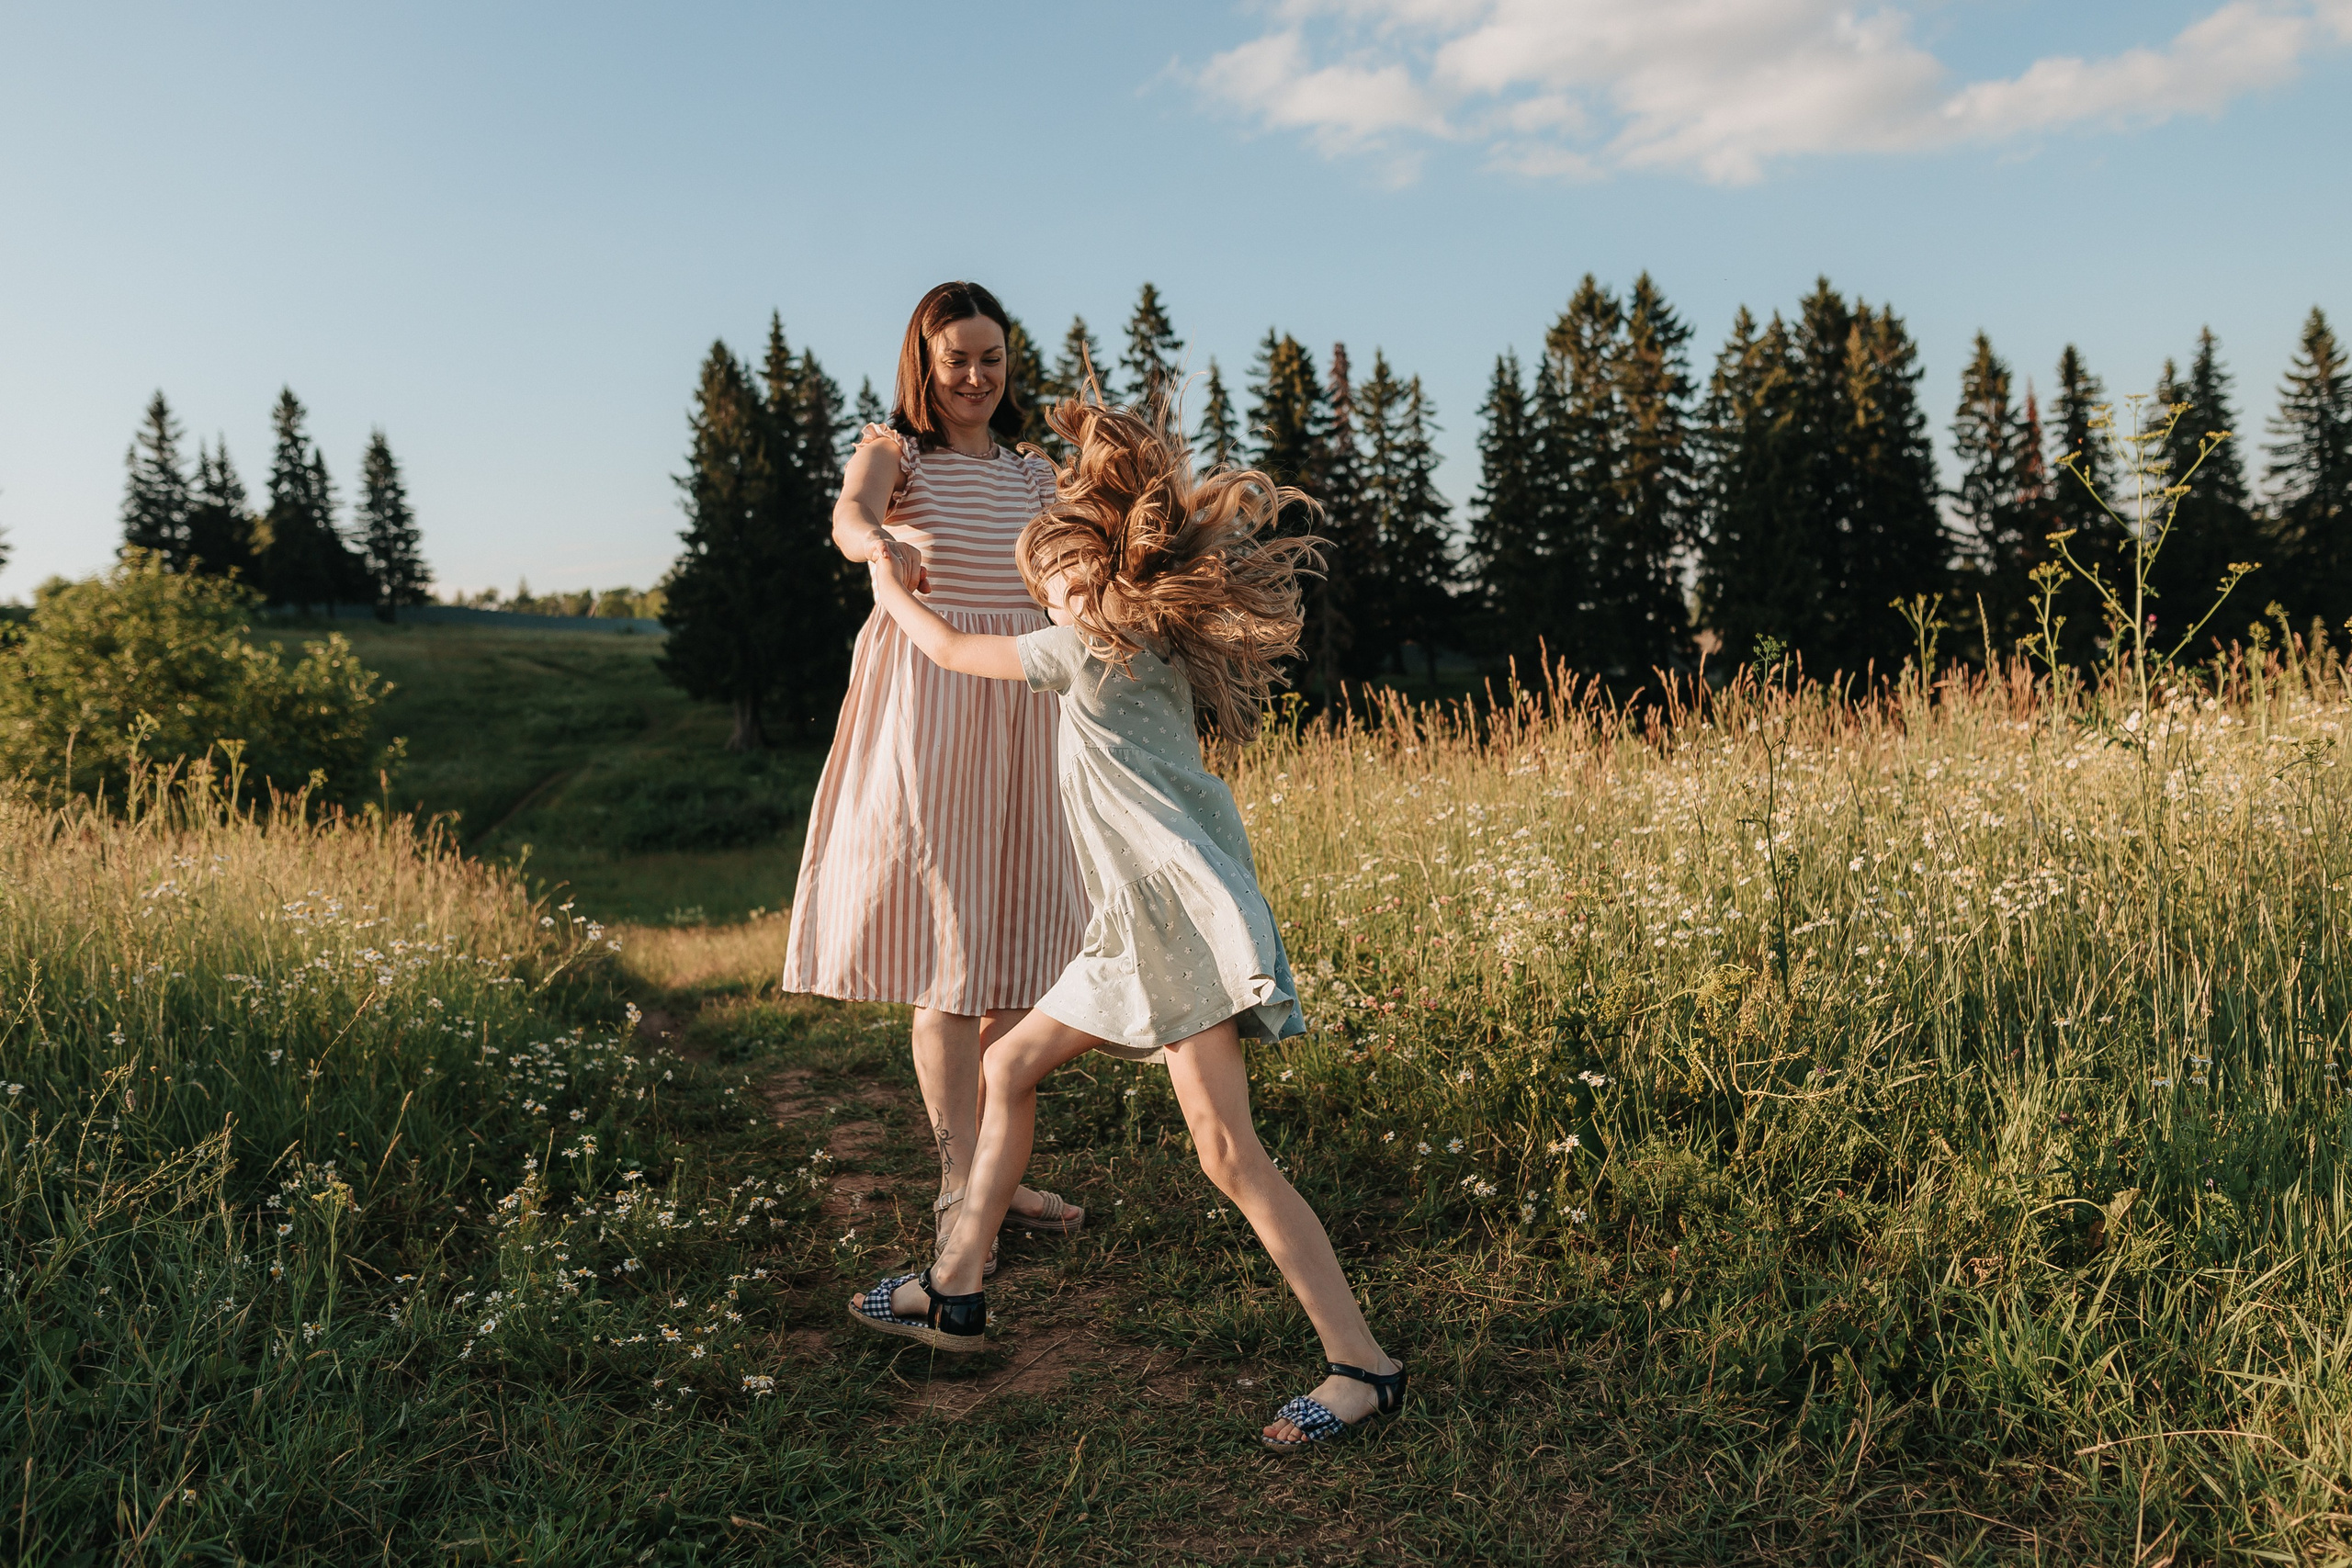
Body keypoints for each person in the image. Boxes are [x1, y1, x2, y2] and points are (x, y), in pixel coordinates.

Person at [846, 397, 1405, 1451]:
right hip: (1137, 930)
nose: (1054, 599)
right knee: (1008, 1066)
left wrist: (885, 582)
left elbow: (948, 648)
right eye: (1046, 588)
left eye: (1065, 577)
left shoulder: (1089, 647)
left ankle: (1363, 1367)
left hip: (1172, 927)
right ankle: (954, 1289)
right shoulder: (1140, 643)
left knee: (1228, 1154)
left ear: (1109, 572)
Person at [784, 281, 1091, 1271]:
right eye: (956, 358)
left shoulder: (1034, 471)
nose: (974, 375)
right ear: (925, 361)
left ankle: (996, 1174)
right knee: (954, 955)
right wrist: (878, 543)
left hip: (1028, 701)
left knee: (1030, 946)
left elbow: (1073, 567)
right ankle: (960, 1194)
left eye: (991, 358)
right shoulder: (896, 451)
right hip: (933, 699)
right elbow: (849, 514)